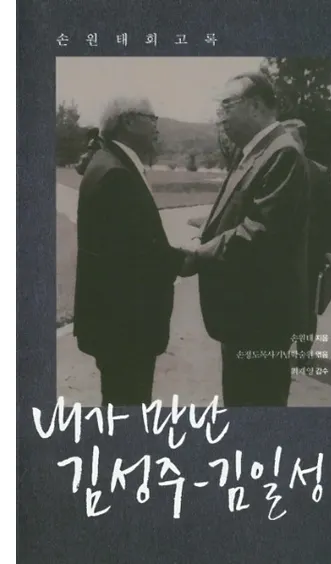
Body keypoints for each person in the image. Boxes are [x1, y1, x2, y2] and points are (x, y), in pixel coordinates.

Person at [180, 72, 311, 407]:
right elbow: (238, 214)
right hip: (245, 318)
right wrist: (205, 232)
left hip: (261, 321)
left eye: (227, 106)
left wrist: (199, 253)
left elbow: (261, 232)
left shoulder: (283, 153)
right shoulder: (257, 151)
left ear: (255, 107)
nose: (220, 116)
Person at [73, 97, 185, 406]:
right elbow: (140, 254)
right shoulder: (116, 174)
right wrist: (191, 258)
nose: (157, 127)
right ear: (128, 121)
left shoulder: (108, 162)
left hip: (115, 325)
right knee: (128, 405)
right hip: (126, 329)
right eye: (152, 119)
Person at [283, 119, 331, 366]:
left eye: (293, 139)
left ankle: (303, 354)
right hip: (280, 251)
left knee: (307, 305)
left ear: (303, 142)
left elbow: (327, 214)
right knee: (281, 300)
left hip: (310, 251)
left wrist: (328, 250)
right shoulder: (276, 170)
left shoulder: (320, 173)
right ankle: (280, 351)